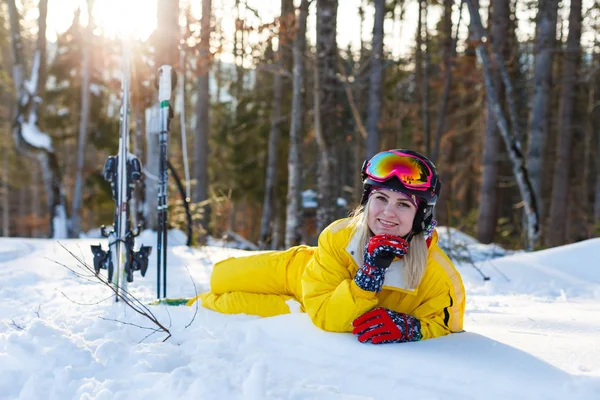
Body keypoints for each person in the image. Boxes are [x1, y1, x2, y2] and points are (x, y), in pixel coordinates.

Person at [187, 149, 465, 344]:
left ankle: (188, 306)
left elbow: (445, 324)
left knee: (225, 304)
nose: (387, 213)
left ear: (421, 215)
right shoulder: (338, 235)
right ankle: (200, 295)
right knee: (220, 276)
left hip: (313, 305)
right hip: (297, 271)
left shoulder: (438, 275)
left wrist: (410, 327)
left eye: (403, 204)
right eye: (381, 198)